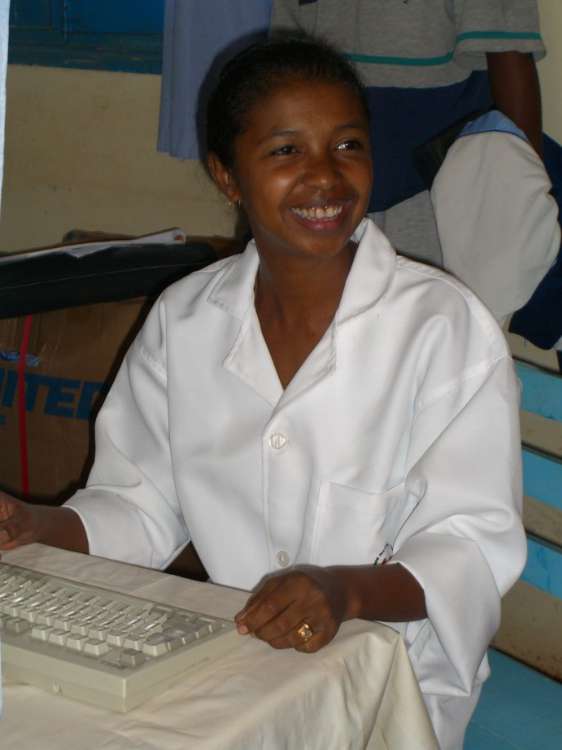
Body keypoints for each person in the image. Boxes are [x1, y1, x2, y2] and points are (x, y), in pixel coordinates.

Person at [0, 38, 526, 750]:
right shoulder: (186, 320)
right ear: (228, 176)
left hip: (388, 678)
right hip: (234, 656)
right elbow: (141, 504)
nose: (325, 176)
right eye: (285, 151)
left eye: (348, 145)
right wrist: (41, 528)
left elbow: (469, 548)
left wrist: (345, 591)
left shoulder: (442, 328)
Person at [270, 0, 545, 268]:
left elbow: (510, 57)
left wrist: (520, 205)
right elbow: (286, 67)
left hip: (433, 199)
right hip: (328, 190)